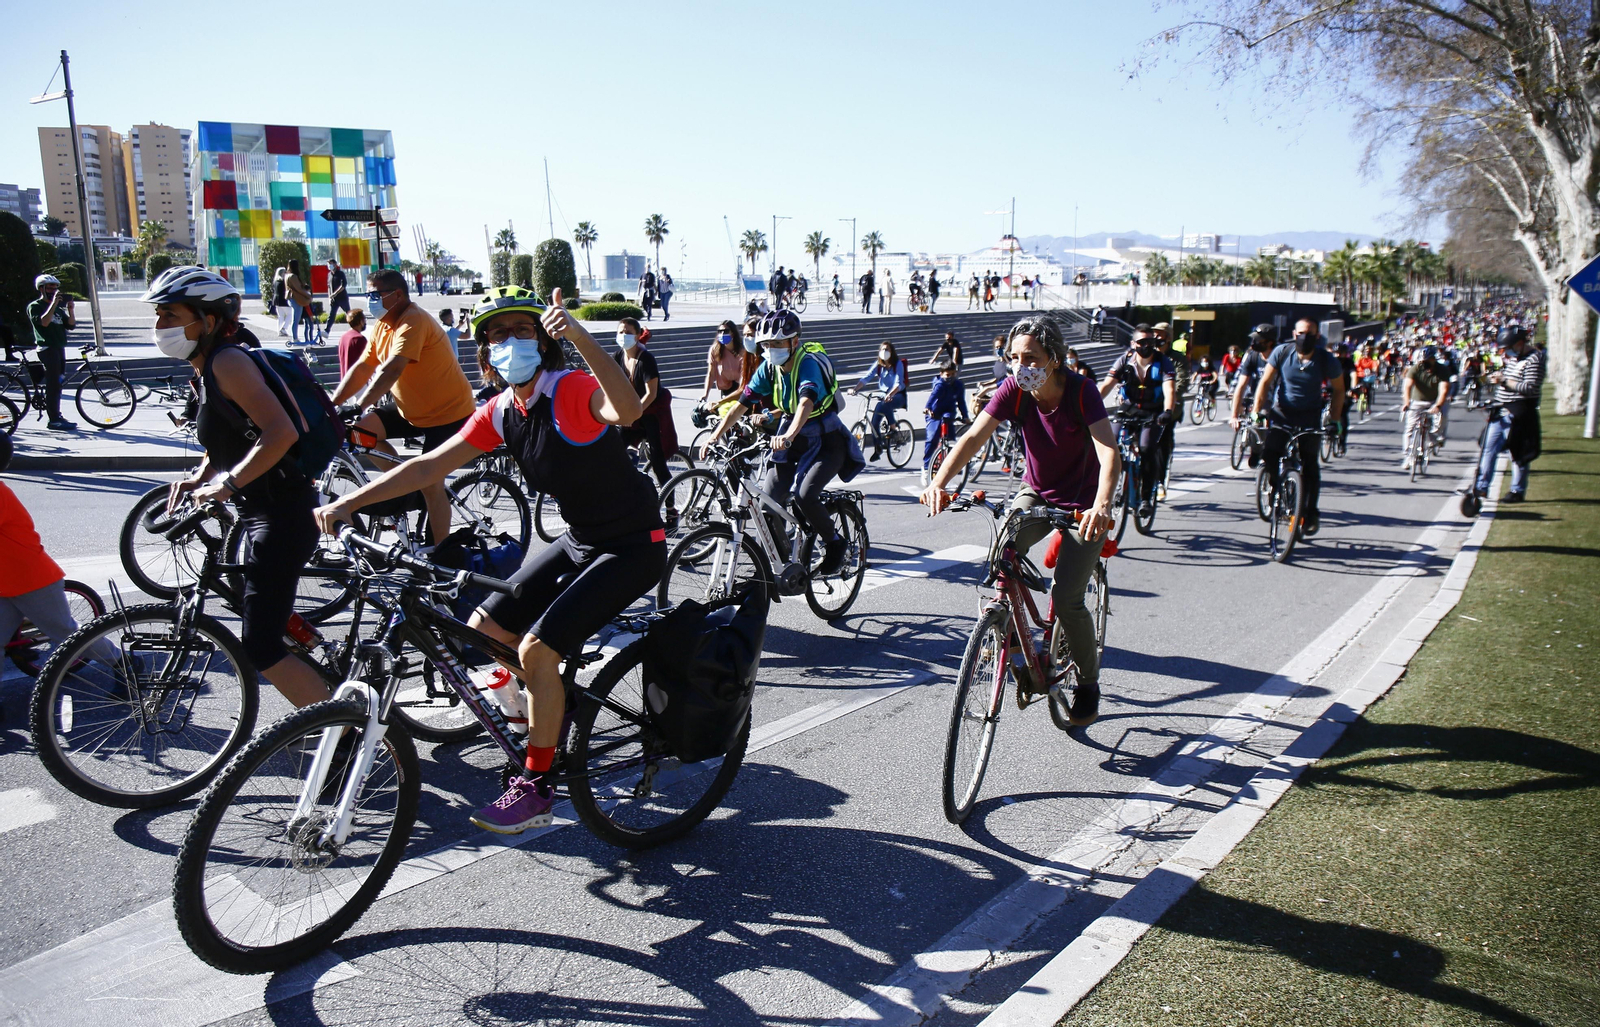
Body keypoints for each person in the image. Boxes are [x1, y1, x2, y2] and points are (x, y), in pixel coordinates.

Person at [316, 286, 662, 833]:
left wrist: (579, 336)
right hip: (581, 539)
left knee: (537, 650)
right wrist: (347, 501)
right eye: (496, 336)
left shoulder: (568, 388)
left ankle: (538, 784)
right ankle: (556, 705)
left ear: (544, 340)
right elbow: (429, 465)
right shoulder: (503, 410)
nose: (509, 343)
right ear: (485, 353)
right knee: (485, 629)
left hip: (633, 543)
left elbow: (624, 408)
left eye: (522, 330)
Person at [143, 266, 331, 708]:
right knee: (267, 614)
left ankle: (343, 739)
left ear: (207, 320)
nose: (159, 327)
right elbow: (234, 435)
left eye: (170, 315)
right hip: (259, 509)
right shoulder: (206, 366)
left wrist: (226, 484)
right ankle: (326, 677)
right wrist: (202, 476)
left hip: (282, 513)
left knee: (261, 646)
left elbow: (278, 432)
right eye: (158, 316)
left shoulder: (228, 361)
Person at [921, 315, 1119, 725]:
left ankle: (1088, 683)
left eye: (1030, 357)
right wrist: (939, 481)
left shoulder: (1081, 393)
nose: (1019, 365)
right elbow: (974, 437)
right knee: (1001, 552)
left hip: (1083, 505)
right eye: (1013, 357)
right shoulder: (1015, 389)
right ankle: (1007, 635)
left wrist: (1102, 504)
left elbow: (1108, 453)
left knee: (1066, 597)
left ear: (1054, 359)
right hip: (1038, 492)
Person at [699, 309, 862, 575]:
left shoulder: (806, 363)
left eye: (777, 343)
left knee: (805, 495)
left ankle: (835, 542)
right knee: (767, 506)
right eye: (767, 345)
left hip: (825, 440)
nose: (771, 349)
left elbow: (806, 403)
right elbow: (741, 405)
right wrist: (715, 435)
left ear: (793, 342)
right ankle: (785, 563)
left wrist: (787, 435)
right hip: (791, 438)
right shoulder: (768, 368)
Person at [330, 268, 476, 546]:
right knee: (359, 432)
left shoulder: (413, 320)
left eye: (375, 294)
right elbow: (363, 367)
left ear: (397, 295)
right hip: (409, 410)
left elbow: (393, 368)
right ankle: (405, 487)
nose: (370, 300)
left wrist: (360, 404)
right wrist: (332, 405)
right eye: (368, 294)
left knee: (432, 485)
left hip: (449, 414)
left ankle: (440, 555)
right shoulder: (383, 325)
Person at [0, 433, 124, 696]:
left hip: (31, 581)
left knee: (68, 634)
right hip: (6, 584)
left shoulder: (1, 494)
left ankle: (125, 665)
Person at [1250, 318, 1345, 536]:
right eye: (1301, 333)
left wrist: (1334, 421)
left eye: (1310, 334)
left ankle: (1310, 512)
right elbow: (1265, 382)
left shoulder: (1325, 359)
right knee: (1270, 455)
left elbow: (1339, 390)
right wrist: (1257, 412)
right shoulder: (1282, 352)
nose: (1305, 337)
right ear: (1294, 334)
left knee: (1310, 463)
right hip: (1282, 413)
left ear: (1317, 337)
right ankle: (1275, 488)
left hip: (1310, 416)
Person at [1099, 326, 1175, 519]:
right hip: (1128, 408)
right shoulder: (1125, 360)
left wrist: (1167, 411)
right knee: (1111, 444)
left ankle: (1146, 498)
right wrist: (1089, 405)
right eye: (1141, 342)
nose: (1146, 346)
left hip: (1153, 411)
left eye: (1150, 342)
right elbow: (1107, 385)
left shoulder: (1163, 362)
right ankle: (1106, 490)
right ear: (1133, 344)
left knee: (1147, 448)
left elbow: (1169, 389)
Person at [1473, 324, 1544, 503]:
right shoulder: (1514, 359)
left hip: (1518, 411)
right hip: (1501, 410)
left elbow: (1529, 387)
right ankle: (1481, 487)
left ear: (1519, 343)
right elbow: (1510, 378)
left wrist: (1504, 381)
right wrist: (1497, 377)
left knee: (1518, 453)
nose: (1505, 353)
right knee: (1488, 448)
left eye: (1508, 348)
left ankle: (1517, 490)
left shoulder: (1534, 359)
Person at [613, 317, 677, 490]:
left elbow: (651, 393)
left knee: (658, 463)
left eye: (628, 333)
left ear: (638, 335)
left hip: (652, 413)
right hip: (633, 411)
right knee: (613, 451)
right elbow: (604, 377)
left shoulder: (646, 359)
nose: (623, 336)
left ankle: (671, 508)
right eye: (620, 332)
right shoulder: (619, 356)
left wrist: (634, 413)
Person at [26, 274, 76, 431]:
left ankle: (57, 414)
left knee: (58, 383)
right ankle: (53, 419)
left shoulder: (59, 309)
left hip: (59, 347)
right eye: (49, 288)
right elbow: (44, 322)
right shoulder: (35, 306)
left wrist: (70, 310)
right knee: (53, 384)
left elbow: (70, 325)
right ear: (41, 289)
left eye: (55, 288)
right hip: (47, 348)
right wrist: (53, 304)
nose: (53, 291)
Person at [850, 340, 909, 460]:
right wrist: (855, 389)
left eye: (887, 349)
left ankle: (893, 429)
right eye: (882, 349)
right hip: (884, 396)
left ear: (892, 352)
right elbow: (867, 377)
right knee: (874, 422)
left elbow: (899, 383)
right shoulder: (878, 365)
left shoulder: (897, 364)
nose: (884, 352)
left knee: (886, 404)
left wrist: (890, 394)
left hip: (898, 395)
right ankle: (878, 448)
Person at [921, 357, 969, 487]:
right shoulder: (939, 384)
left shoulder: (958, 385)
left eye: (953, 374)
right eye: (948, 375)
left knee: (951, 439)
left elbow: (961, 402)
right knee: (932, 439)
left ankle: (951, 464)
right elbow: (933, 397)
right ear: (941, 374)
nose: (951, 377)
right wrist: (927, 408)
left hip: (948, 412)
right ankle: (926, 469)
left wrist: (965, 416)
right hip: (934, 413)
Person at [1400, 345, 1447, 468]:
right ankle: (1408, 455)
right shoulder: (1415, 369)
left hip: (1434, 401)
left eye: (1428, 361)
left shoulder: (1442, 370)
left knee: (1440, 419)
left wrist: (1438, 405)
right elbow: (1407, 386)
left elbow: (1443, 390)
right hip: (1417, 401)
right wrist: (1406, 402)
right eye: (1423, 362)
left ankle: (1435, 439)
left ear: (1433, 359)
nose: (1426, 364)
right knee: (1410, 428)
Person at [701, 320, 755, 404]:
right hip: (725, 389)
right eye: (720, 331)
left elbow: (743, 378)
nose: (722, 334)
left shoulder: (742, 350)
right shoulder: (715, 350)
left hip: (740, 389)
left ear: (732, 333)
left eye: (726, 331)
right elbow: (711, 374)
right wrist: (705, 395)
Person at [285, 259, 315, 345]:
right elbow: (299, 289)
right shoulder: (293, 276)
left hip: (290, 297)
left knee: (295, 318)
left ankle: (295, 337)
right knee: (296, 319)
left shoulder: (287, 275)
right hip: (296, 298)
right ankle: (295, 338)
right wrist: (308, 295)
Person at [974, 332, 1010, 405]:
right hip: (997, 392)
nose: (998, 349)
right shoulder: (997, 363)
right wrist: (985, 383)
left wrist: (987, 389)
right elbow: (998, 379)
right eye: (997, 347)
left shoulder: (1010, 364)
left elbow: (1006, 380)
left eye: (1001, 347)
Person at [337, 309, 368, 377]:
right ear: (361, 322)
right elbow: (367, 362)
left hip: (345, 379)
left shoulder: (343, 337)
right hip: (357, 381)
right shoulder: (359, 339)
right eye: (364, 320)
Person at [322, 258, 349, 335]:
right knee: (332, 315)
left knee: (348, 312)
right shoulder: (329, 274)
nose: (329, 265)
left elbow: (343, 285)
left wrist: (335, 293)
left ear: (334, 264)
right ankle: (327, 330)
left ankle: (355, 327)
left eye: (330, 264)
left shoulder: (340, 274)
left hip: (342, 297)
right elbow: (329, 287)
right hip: (334, 299)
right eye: (328, 264)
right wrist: (329, 297)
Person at [271, 267, 290, 337]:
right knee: (290, 314)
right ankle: (283, 328)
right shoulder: (283, 281)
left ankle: (279, 330)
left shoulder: (275, 281)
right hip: (283, 300)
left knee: (280, 316)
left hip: (276, 300)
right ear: (282, 273)